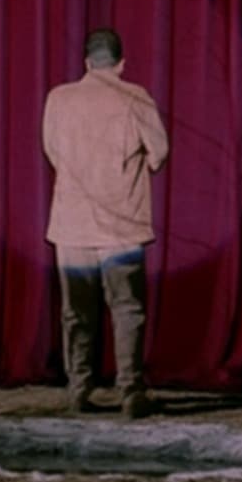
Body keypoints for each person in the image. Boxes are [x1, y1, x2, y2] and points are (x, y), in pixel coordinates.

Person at [41, 28, 168, 419]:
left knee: (76, 312)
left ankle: (78, 389)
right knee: (127, 309)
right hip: (121, 226)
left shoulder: (58, 98)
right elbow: (159, 152)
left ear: (86, 62)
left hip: (72, 224)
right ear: (121, 64)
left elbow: (52, 151)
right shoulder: (136, 97)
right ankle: (130, 391)